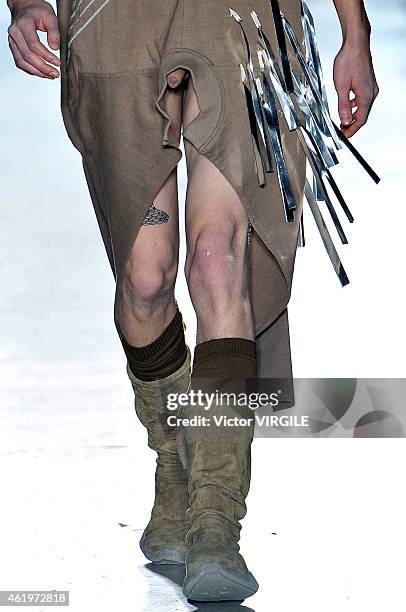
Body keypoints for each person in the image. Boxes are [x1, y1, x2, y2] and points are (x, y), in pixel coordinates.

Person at [6, 0, 378, 602]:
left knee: (217, 258)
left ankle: (216, 521)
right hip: (115, 18)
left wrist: (353, 32)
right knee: (146, 278)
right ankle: (175, 463)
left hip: (243, 14)